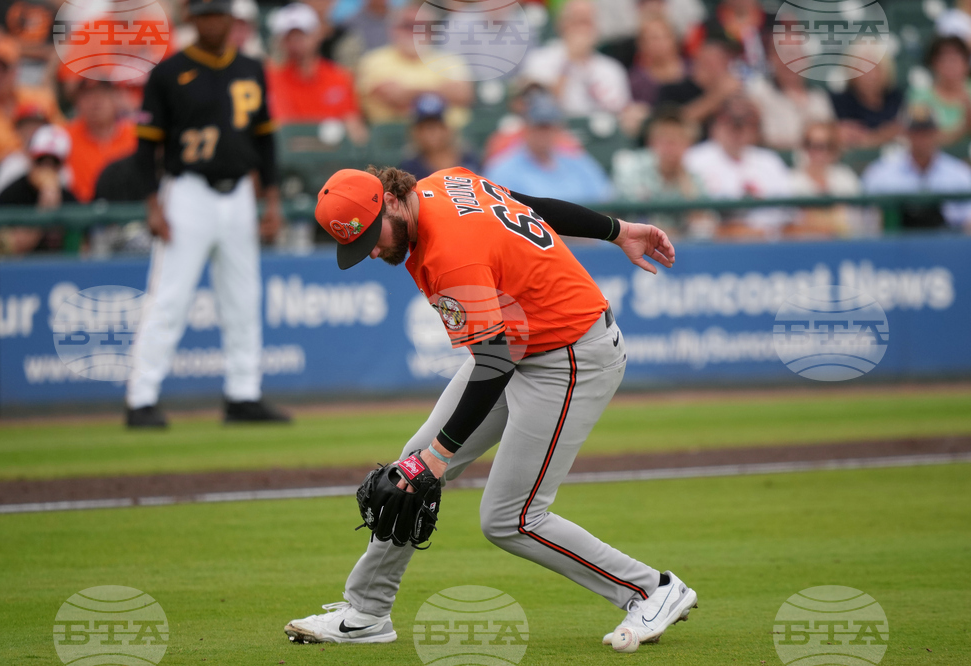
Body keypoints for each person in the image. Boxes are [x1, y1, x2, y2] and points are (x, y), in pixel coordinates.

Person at [284, 163, 696, 650]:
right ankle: (367, 612)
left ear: (391, 201)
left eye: (374, 235)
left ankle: (653, 589)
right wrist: (617, 230)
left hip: (568, 356)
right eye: (360, 245)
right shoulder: (445, 181)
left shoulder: (448, 255)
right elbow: (532, 208)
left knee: (509, 517)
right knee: (410, 468)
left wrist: (437, 460)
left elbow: (493, 363)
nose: (373, 251)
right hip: (520, 346)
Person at [125, 0, 290, 428]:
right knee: (170, 297)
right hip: (187, 192)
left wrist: (271, 202)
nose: (214, 21)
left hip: (238, 194)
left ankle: (243, 393)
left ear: (232, 19)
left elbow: (266, 141)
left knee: (243, 298)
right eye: (206, 14)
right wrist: (152, 203)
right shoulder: (167, 72)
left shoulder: (251, 67)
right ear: (193, 19)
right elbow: (146, 146)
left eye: (220, 13)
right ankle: (141, 397)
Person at [683, 96, 793, 236]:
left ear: (755, 130)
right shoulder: (694, 158)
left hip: (766, 240)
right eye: (730, 123)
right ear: (715, 126)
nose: (737, 131)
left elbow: (788, 211)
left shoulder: (769, 161)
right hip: (715, 243)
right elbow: (694, 216)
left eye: (745, 124)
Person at [484, 92, 614, 204]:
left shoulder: (577, 162)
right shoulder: (502, 168)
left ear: (558, 128)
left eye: (549, 127)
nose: (544, 134)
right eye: (539, 127)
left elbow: (608, 200)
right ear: (526, 127)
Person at [265, 2, 367, 144]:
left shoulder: (339, 77)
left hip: (332, 157)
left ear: (317, 35)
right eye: (288, 36)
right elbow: (280, 128)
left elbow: (355, 128)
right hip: (291, 158)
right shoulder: (271, 78)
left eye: (301, 35)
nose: (295, 42)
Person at [355, 4, 473, 126]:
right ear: (393, 29)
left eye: (423, 26)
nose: (415, 32)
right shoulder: (374, 60)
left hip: (451, 135)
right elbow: (394, 97)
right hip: (392, 136)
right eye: (408, 25)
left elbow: (463, 95)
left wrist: (409, 92)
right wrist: (440, 91)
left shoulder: (449, 60)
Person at [862, 108, 971, 230]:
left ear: (937, 133)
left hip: (948, 243)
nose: (921, 139)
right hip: (896, 244)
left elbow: (968, 219)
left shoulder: (959, 172)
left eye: (927, 132)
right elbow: (868, 220)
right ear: (906, 134)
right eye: (916, 132)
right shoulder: (880, 173)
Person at [519, 0, 631, 118]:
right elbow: (537, 109)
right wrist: (570, 60)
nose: (582, 30)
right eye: (576, 22)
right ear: (562, 24)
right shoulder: (540, 59)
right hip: (555, 130)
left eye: (587, 23)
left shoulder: (611, 69)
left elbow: (619, 115)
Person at [613, 108, 715, 236]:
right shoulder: (631, 167)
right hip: (633, 243)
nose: (671, 149)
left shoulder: (693, 178)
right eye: (667, 141)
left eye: (679, 141)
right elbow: (621, 213)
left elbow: (706, 224)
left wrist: (687, 187)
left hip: (679, 248)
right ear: (652, 142)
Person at [0, 32, 60, 165]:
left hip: (46, 167)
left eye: (3, 68)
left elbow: (62, 133)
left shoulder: (39, 98)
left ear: (15, 70)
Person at [0, 125, 75, 254]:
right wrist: (43, 212)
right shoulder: (13, 192)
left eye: (54, 162)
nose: (47, 168)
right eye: (40, 160)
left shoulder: (67, 197)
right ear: (30, 159)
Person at [747, 46, 834, 150]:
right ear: (772, 58)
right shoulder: (759, 91)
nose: (791, 62)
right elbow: (756, 136)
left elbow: (830, 137)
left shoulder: (818, 96)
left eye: (797, 55)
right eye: (785, 55)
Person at [65, 80, 138, 203]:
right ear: (77, 102)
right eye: (87, 96)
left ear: (115, 99)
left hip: (125, 209)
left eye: (102, 94)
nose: (95, 102)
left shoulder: (135, 135)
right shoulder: (63, 137)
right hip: (79, 212)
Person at [787, 122, 864, 237]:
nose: (815, 151)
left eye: (823, 146)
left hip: (844, 246)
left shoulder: (845, 177)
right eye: (809, 144)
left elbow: (857, 221)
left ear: (834, 149)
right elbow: (787, 227)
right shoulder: (791, 180)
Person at [657, 34, 741, 133]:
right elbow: (675, 124)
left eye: (726, 59)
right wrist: (719, 95)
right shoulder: (671, 90)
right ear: (699, 58)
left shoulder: (734, 92)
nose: (725, 63)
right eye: (716, 58)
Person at [0, 102, 71, 198]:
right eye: (27, 127)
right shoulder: (11, 163)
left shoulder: (60, 163)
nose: (32, 131)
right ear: (18, 130)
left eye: (38, 125)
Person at [831, 50, 904, 149]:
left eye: (875, 69)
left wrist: (873, 137)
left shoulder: (897, 99)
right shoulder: (839, 103)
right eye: (862, 69)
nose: (870, 76)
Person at [906, 36, 971, 146]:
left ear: (966, 63)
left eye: (955, 58)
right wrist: (964, 127)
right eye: (944, 59)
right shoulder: (920, 97)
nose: (950, 65)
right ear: (933, 63)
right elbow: (922, 139)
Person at [398, 93, 479, 180]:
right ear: (416, 132)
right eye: (425, 127)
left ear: (447, 128)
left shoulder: (468, 159)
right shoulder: (409, 167)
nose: (432, 133)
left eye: (437, 126)